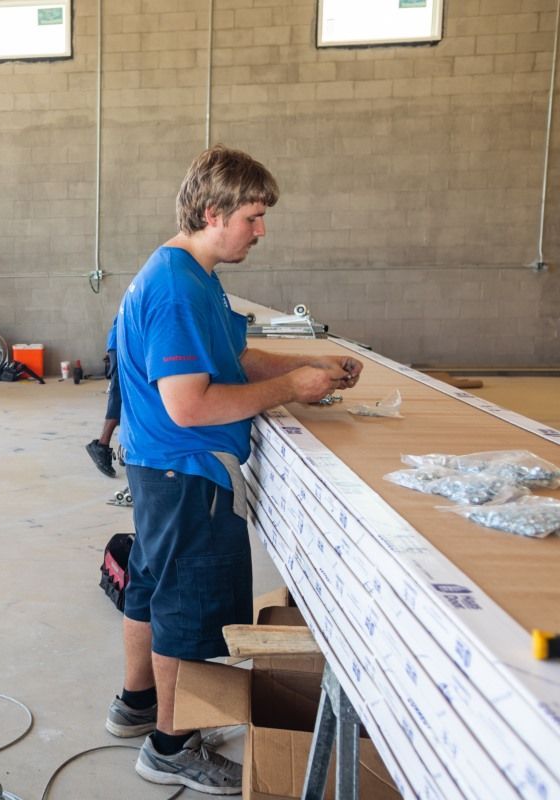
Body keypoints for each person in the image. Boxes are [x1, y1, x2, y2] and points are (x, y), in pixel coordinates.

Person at [105, 145, 362, 794]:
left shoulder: (192, 274)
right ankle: (169, 744)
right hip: (186, 469)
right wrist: (291, 390)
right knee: (182, 610)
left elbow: (233, 361)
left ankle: (138, 705)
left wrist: (310, 368)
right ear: (213, 213)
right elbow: (190, 404)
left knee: (149, 586)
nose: (261, 230)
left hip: (159, 465)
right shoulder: (176, 290)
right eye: (253, 216)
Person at [86, 316, 120, 478]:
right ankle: (101, 445)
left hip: (127, 342)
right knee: (119, 392)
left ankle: (127, 447)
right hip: (123, 343)